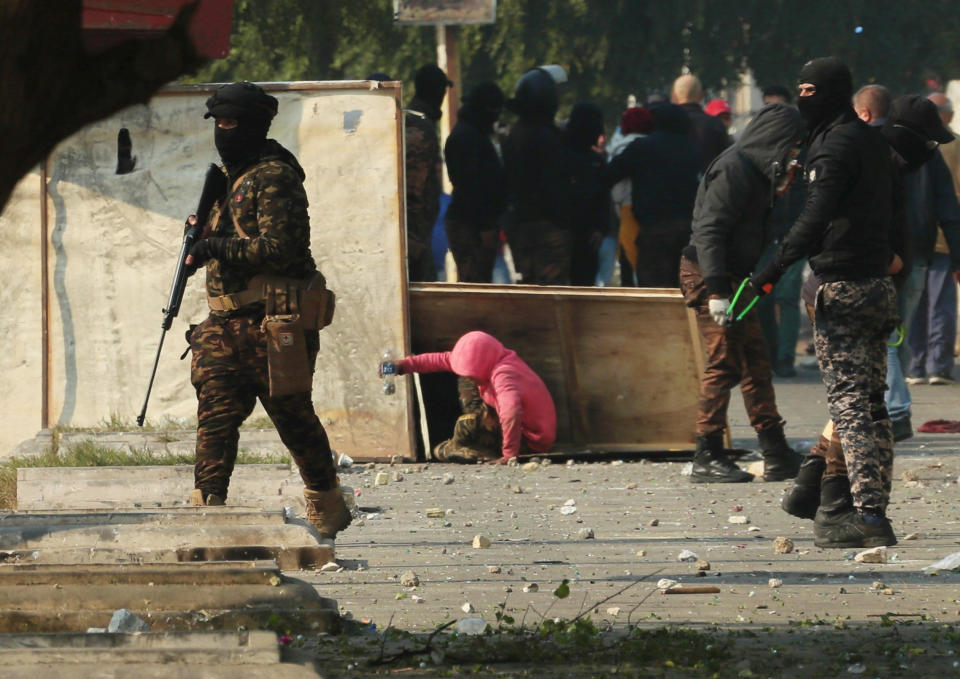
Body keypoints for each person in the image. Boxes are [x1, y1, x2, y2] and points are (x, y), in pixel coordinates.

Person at [182, 81, 350, 540]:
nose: (223, 131)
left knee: (293, 418)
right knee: (215, 416)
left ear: (255, 125)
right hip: (222, 325)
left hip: (272, 324)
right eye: (218, 123)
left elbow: (282, 248)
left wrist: (217, 245)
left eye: (232, 123)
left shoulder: (274, 177)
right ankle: (207, 507)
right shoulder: (228, 178)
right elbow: (223, 242)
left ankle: (326, 499)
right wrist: (200, 242)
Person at [782, 94, 953, 527]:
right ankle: (859, 505)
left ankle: (814, 486)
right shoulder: (876, 158)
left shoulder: (887, 155)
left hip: (882, 275)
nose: (931, 150)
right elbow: (840, 226)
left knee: (853, 397)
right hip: (861, 279)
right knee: (859, 399)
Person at [753, 57, 900, 548]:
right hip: (879, 285)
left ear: (833, 93)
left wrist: (770, 271)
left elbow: (816, 216)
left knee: (852, 407)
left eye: (810, 90)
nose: (803, 99)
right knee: (872, 405)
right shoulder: (871, 143)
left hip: (844, 288)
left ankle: (868, 516)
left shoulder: (834, 146)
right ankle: (842, 498)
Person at [680, 103, 806, 483]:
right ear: (779, 141)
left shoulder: (759, 171)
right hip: (709, 274)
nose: (796, 155)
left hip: (733, 276)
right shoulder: (734, 169)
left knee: (755, 362)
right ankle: (707, 453)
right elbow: (709, 231)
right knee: (724, 364)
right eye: (795, 146)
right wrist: (716, 290)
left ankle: (775, 449)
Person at [384, 331, 557, 464]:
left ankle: (469, 450)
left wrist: (509, 455)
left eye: (472, 374)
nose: (470, 379)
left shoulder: (504, 374)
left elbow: (511, 412)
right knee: (465, 379)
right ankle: (476, 439)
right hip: (511, 418)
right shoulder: (496, 358)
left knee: (462, 429)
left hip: (529, 439)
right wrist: (403, 365)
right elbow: (439, 360)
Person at [606, 102, 700, 287]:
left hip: (653, 230)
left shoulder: (642, 146)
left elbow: (610, 174)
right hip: (687, 230)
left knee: (654, 289)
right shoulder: (692, 149)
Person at [906, 92, 960, 385]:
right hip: (944, 239)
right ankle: (937, 365)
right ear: (948, 116)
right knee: (940, 305)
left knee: (914, 305)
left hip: (913, 238)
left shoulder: (909, 144)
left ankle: (915, 365)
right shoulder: (955, 146)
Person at [502, 65, 570, 285]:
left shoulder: (515, 135)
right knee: (552, 290)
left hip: (521, 224)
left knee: (530, 285)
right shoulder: (547, 137)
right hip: (548, 226)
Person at [444, 82, 507, 283]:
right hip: (471, 226)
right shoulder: (467, 138)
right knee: (475, 286)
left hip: (474, 224)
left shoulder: (473, 135)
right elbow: (470, 187)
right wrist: (485, 226)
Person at [405, 64, 451, 282]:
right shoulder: (421, 127)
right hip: (414, 233)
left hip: (415, 232)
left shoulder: (410, 119)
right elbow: (416, 190)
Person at [560, 101, 612, 286]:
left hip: (584, 235)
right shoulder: (563, 156)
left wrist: (600, 228)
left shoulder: (593, 161)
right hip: (568, 233)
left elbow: (602, 197)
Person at [607, 106, 654, 286]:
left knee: (630, 264)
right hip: (653, 212)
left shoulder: (620, 148)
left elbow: (616, 188)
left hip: (627, 210)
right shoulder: (654, 144)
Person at [671, 74, 731, 173]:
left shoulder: (666, 125)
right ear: (701, 96)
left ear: (674, 96)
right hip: (708, 185)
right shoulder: (715, 125)